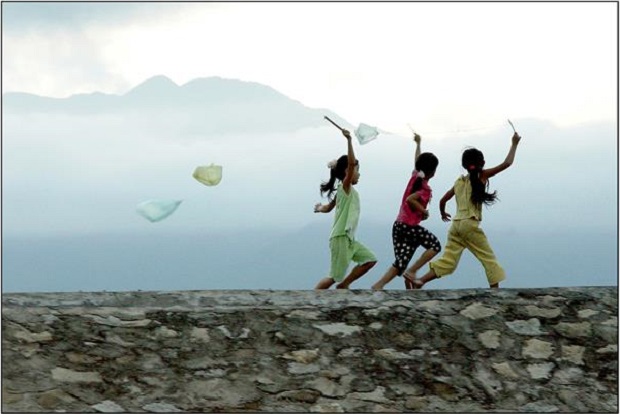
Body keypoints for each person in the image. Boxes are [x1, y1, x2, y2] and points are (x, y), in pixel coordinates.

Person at [409, 132, 522, 289]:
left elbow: (443, 200)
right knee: (487, 257)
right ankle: (495, 292)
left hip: (455, 225)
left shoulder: (459, 181)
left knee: (449, 260)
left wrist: (443, 213)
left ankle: (421, 281)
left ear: (465, 165)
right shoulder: (482, 176)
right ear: (482, 162)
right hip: (470, 224)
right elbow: (507, 163)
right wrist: (514, 143)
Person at [372, 133, 441, 290]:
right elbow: (411, 199)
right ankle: (413, 271)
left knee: (401, 262)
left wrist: (418, 144)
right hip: (409, 226)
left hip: (398, 226)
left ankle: (379, 286)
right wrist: (424, 211)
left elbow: (417, 161)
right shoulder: (425, 189)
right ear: (433, 172)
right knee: (435, 245)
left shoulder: (415, 177)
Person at [314, 128, 377, 289]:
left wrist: (320, 207)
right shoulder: (345, 187)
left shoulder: (344, 191)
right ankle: (310, 299)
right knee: (333, 277)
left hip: (349, 238)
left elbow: (328, 208)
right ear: (347, 171)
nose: (359, 174)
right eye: (357, 170)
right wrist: (349, 140)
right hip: (340, 237)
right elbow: (350, 162)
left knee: (370, 260)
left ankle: (345, 285)